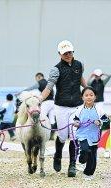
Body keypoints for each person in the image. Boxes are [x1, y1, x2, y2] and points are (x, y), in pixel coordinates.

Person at [40, 40, 87, 177]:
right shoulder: (56, 69)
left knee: (74, 136)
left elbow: (81, 79)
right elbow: (49, 87)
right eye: (64, 53)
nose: (68, 55)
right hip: (61, 106)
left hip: (77, 106)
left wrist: (89, 89)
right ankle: (58, 155)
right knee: (61, 136)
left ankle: (72, 165)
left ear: (73, 52)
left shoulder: (80, 65)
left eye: (70, 52)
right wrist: (40, 99)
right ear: (59, 54)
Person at [73, 86, 106, 180]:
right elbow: (75, 119)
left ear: (95, 97)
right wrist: (76, 123)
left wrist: (100, 122)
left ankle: (88, 173)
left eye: (91, 95)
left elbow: (106, 120)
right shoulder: (79, 109)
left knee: (92, 155)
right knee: (85, 149)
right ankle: (82, 159)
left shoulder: (99, 109)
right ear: (82, 97)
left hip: (94, 135)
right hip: (82, 134)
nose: (89, 97)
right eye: (86, 95)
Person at [19, 72, 56, 140]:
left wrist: (22, 91)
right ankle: (51, 135)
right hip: (53, 102)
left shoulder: (40, 82)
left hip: (46, 102)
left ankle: (41, 134)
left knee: (42, 117)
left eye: (36, 79)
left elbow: (31, 88)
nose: (36, 80)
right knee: (52, 120)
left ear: (39, 77)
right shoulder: (48, 82)